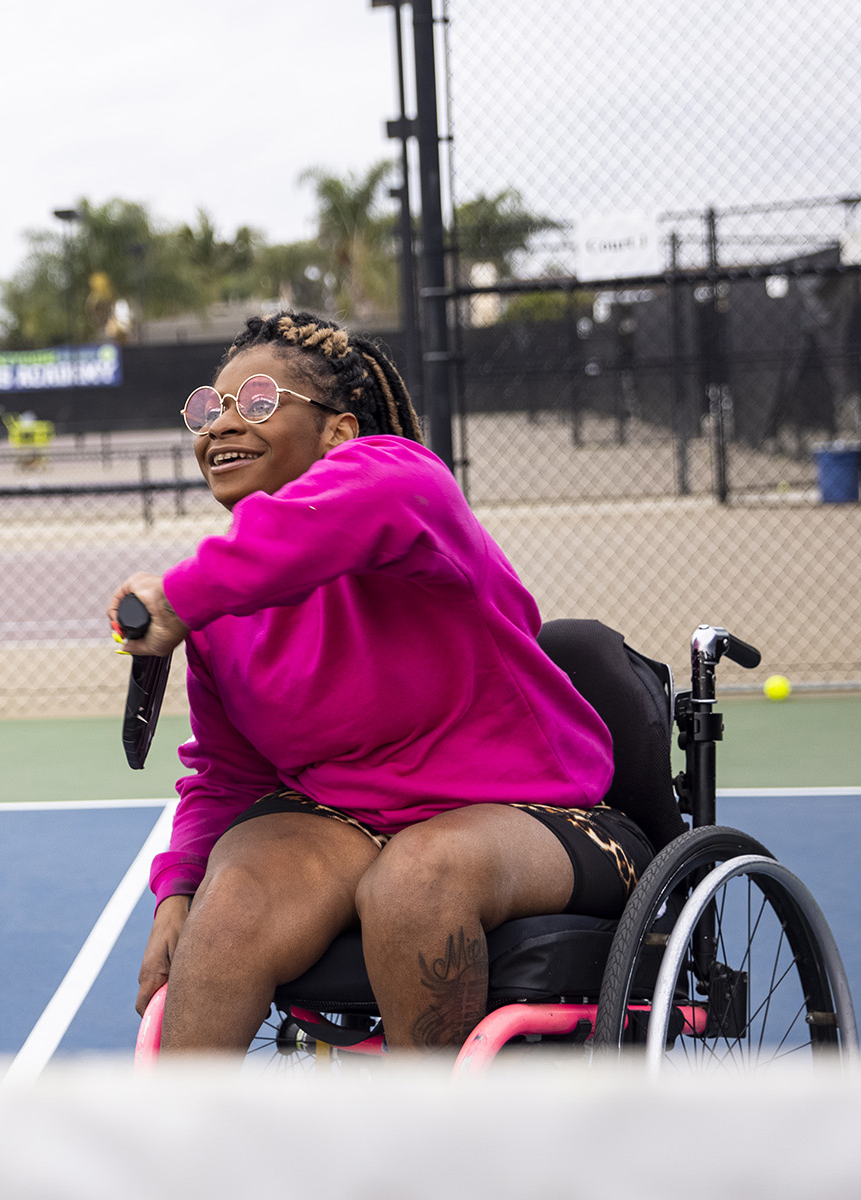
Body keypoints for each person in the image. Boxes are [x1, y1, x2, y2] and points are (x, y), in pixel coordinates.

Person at [109, 312, 649, 1054]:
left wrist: (177, 595)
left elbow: (345, 512)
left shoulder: (404, 482)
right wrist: (177, 895)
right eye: (209, 408)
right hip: (348, 821)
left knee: (418, 878)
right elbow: (227, 776)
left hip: (535, 814)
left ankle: (424, 1149)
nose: (221, 424)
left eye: (259, 401)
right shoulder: (218, 604)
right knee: (232, 905)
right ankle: (177, 1158)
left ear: (338, 432)